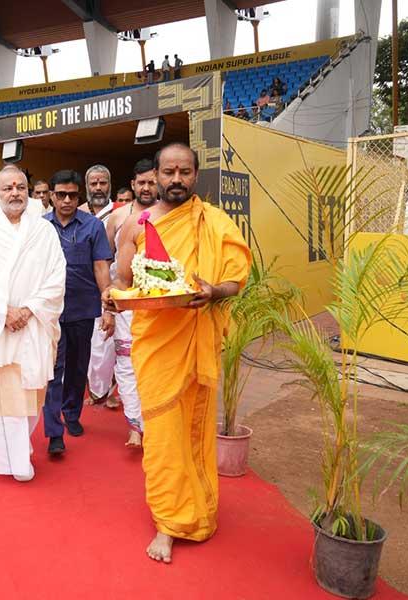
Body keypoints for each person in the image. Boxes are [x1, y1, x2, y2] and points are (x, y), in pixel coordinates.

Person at [105, 142, 251, 564]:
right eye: (168, 172)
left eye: (184, 172)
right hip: (156, 343)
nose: (176, 180)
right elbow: (127, 281)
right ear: (155, 175)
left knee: (196, 429)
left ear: (196, 174)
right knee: (165, 434)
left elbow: (235, 280)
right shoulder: (137, 225)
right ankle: (168, 521)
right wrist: (115, 299)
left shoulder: (215, 222)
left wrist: (213, 290)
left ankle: (199, 511)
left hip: (196, 337)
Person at [0, 165, 65, 481]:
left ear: (28, 191)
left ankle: (7, 450)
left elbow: (56, 276)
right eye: (8, 188)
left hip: (32, 324)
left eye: (20, 187)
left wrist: (29, 309)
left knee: (29, 391)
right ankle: (14, 461)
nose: (15, 192)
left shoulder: (43, 231)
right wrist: (3, 311)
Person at [43, 170, 113, 455]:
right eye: (61, 195)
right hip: (49, 311)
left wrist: (108, 308)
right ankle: (54, 430)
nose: (67, 200)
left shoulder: (93, 226)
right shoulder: (40, 227)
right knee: (52, 369)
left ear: (79, 196)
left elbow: (101, 266)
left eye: (73, 195)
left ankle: (71, 414)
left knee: (77, 366)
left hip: (83, 307)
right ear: (51, 196)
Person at [102, 158, 159, 449]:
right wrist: (108, 309)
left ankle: (156, 424)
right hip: (125, 300)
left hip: (160, 304)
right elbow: (106, 263)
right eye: (142, 182)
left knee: (155, 364)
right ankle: (135, 425)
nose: (147, 187)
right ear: (133, 183)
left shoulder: (171, 216)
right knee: (126, 364)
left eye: (152, 181)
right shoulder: (118, 217)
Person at [80, 165, 116, 406]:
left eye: (103, 183)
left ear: (109, 185)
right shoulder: (78, 212)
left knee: (107, 342)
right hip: (82, 287)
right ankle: (94, 390)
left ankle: (107, 389)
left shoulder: (121, 212)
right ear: (87, 186)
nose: (98, 188)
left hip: (110, 283)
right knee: (87, 343)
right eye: (94, 183)